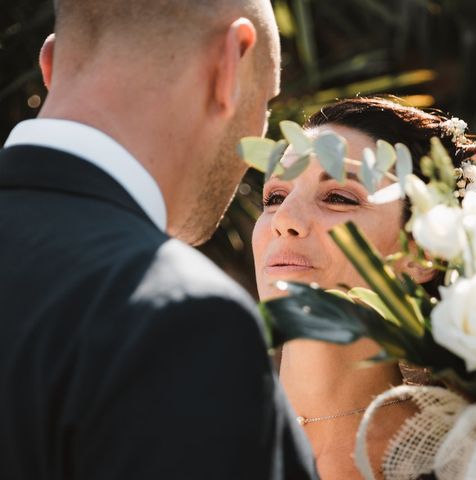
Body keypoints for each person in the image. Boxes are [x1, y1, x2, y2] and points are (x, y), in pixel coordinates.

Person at [0, 0, 317, 479]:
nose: (260, 134)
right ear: (229, 63)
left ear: (51, 64)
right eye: (267, 100)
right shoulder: (175, 314)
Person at [252, 97, 476, 479]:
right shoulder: (185, 425)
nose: (284, 219)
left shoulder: (469, 460)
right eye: (275, 196)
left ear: (420, 253)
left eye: (338, 197)